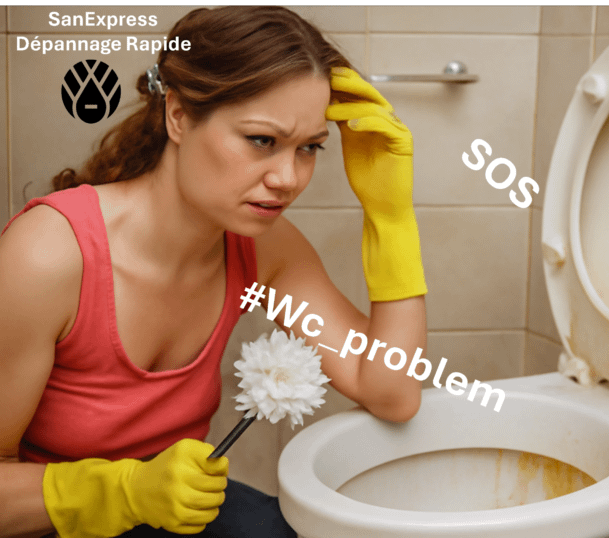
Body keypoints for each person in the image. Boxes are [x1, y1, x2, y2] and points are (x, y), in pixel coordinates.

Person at [0, 5, 427, 538]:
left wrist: (391, 217)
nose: (288, 177)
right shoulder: (48, 255)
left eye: (310, 148)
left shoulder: (263, 246)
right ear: (178, 115)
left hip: (177, 520)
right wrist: (125, 490)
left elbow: (390, 391)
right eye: (261, 140)